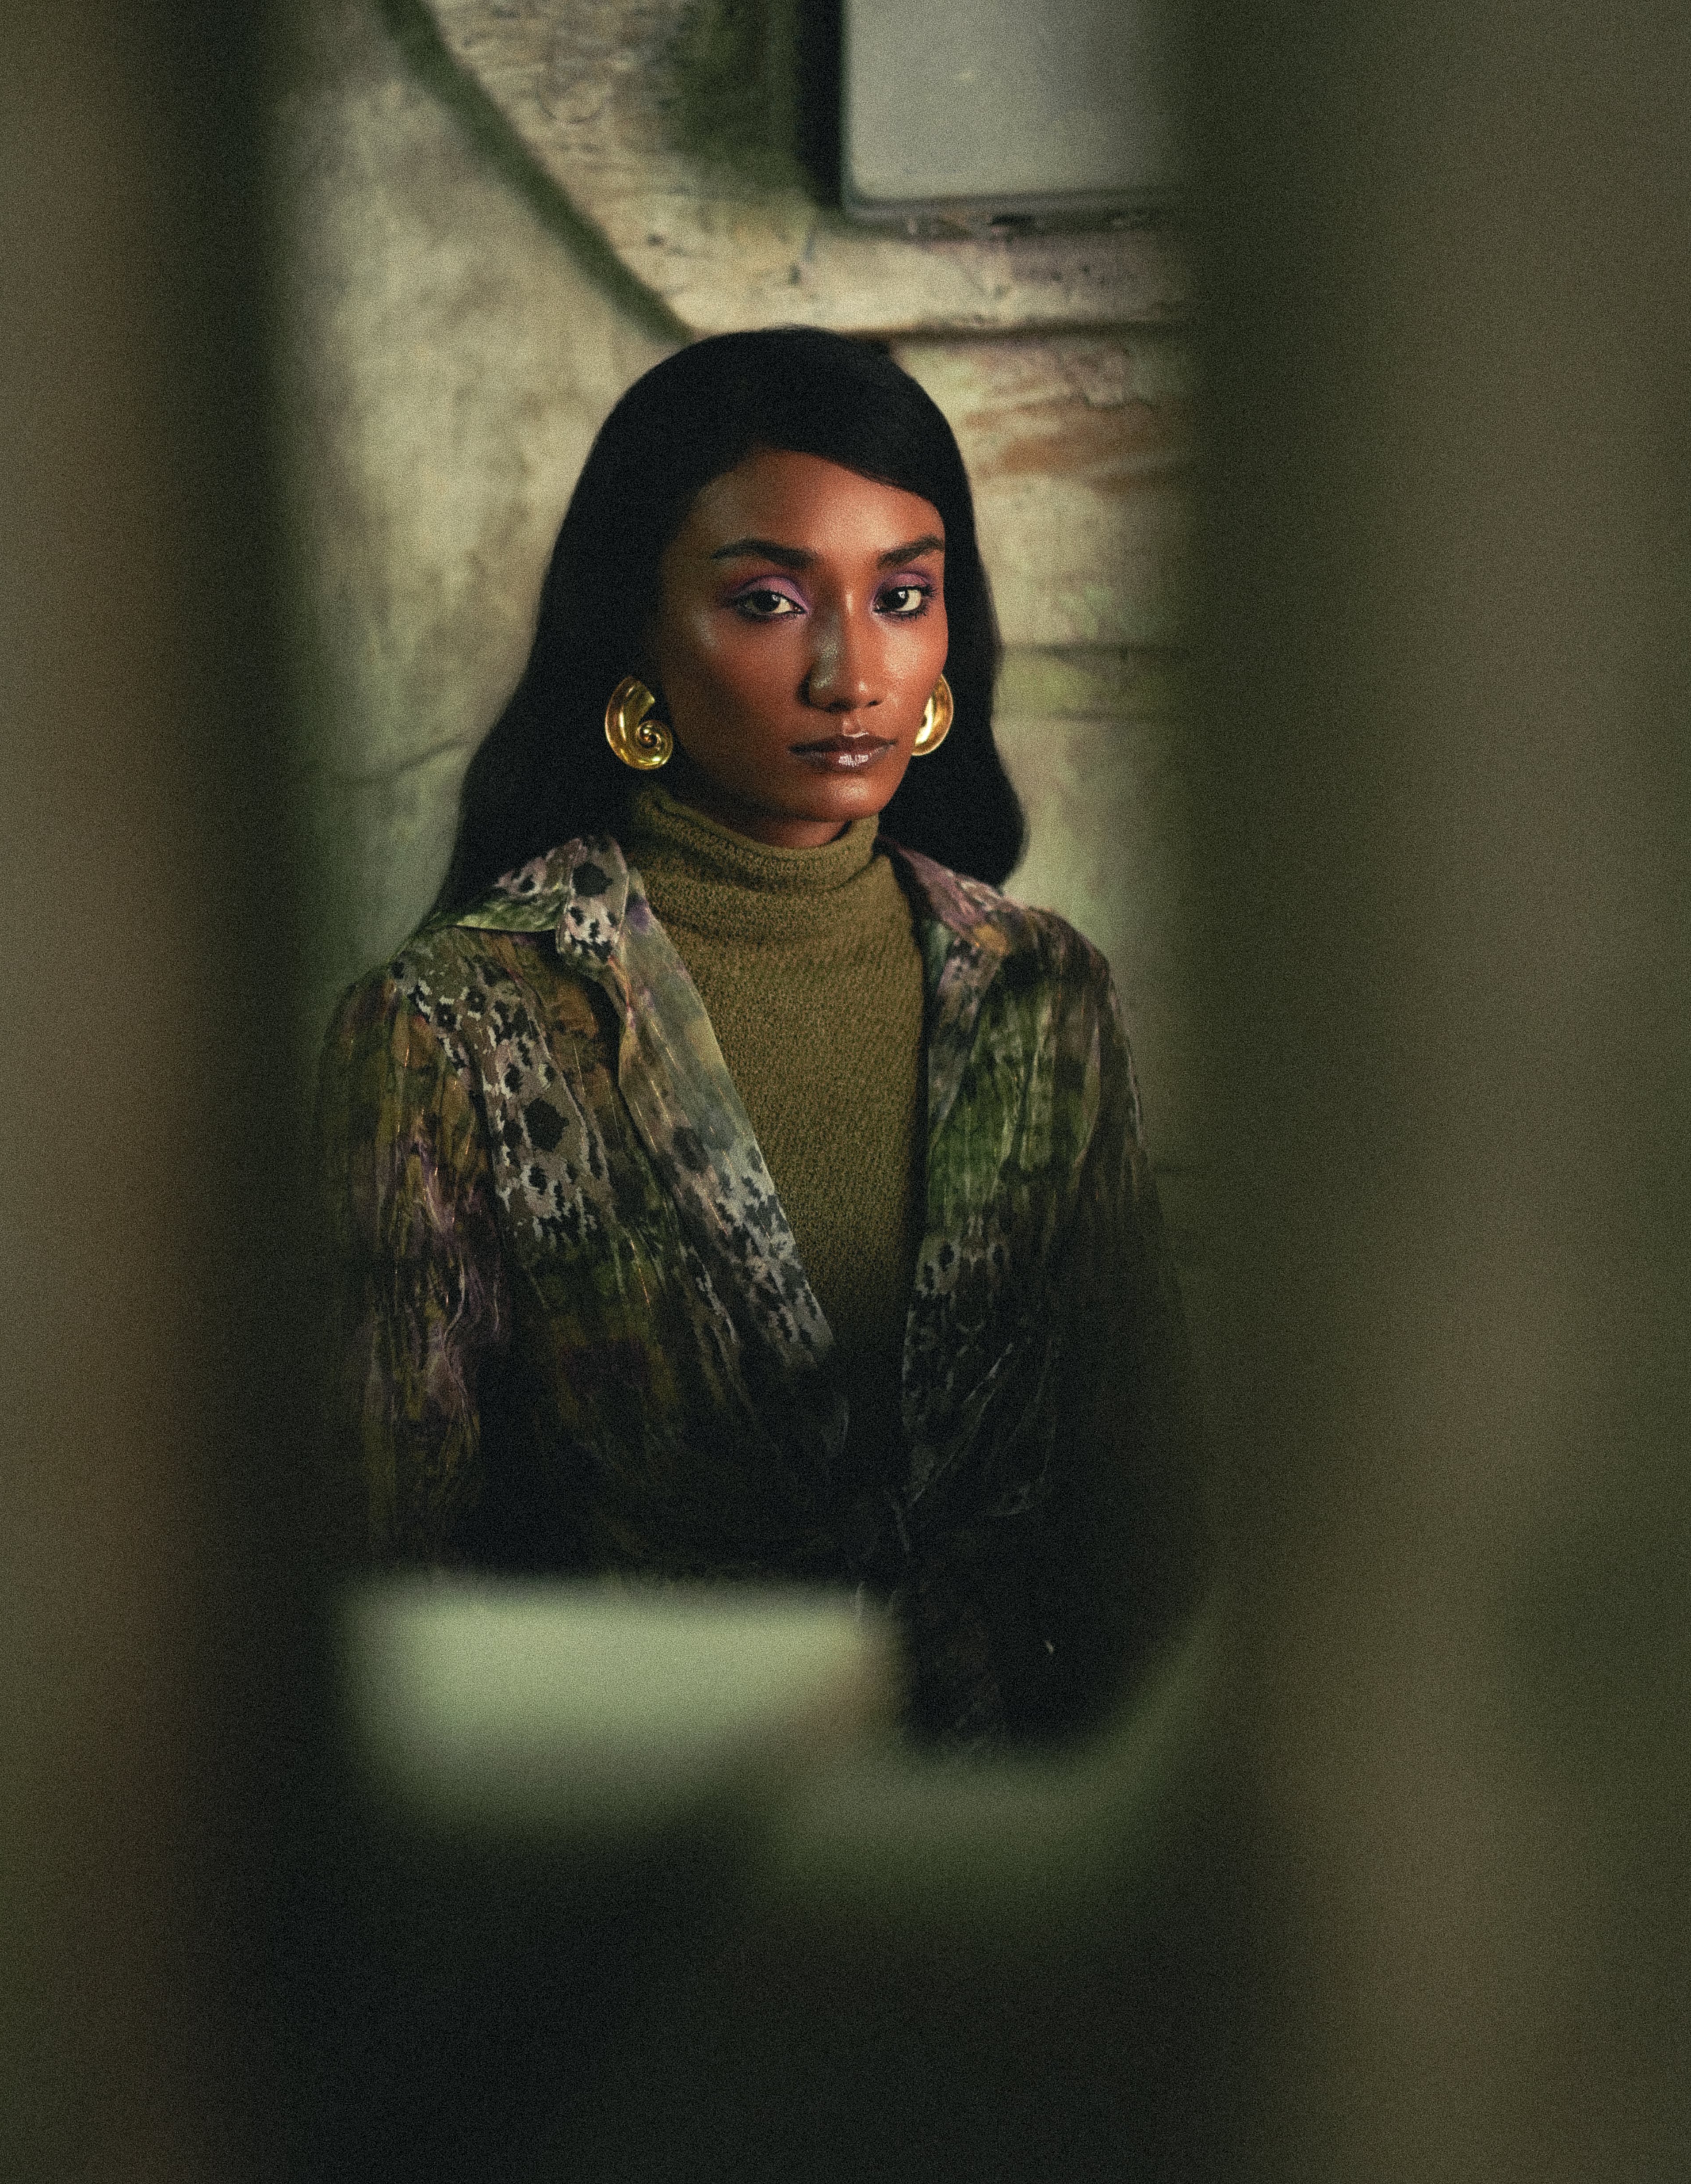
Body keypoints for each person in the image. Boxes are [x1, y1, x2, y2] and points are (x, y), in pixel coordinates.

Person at [316, 327, 1202, 1748]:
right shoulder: (451, 1027)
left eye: (902, 595)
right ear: (639, 634)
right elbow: (383, 1582)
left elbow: (1144, 1512)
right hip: (636, 1835)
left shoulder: (1040, 993)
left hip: (1024, 1836)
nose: (853, 673)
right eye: (771, 600)